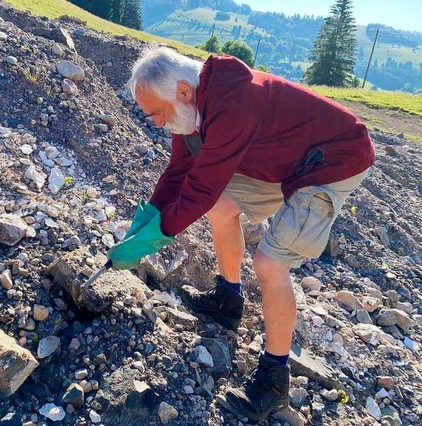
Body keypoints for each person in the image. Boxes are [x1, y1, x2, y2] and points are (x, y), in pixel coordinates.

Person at [107, 46, 375, 422]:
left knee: (269, 262)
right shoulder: (191, 109)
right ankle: (228, 301)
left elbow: (199, 189)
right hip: (282, 156)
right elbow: (180, 171)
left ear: (183, 91)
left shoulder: (234, 104)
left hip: (331, 160)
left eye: (157, 112)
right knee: (222, 205)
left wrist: (155, 238)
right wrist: (145, 219)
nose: (155, 122)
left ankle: (274, 382)